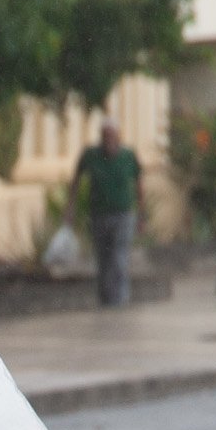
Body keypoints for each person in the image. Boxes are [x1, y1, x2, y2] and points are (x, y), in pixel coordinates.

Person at [72, 120, 142, 307]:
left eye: (112, 136)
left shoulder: (128, 156)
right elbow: (76, 179)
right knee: (103, 258)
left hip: (123, 214)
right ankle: (106, 297)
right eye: (105, 136)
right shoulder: (92, 155)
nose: (108, 140)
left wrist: (142, 213)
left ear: (118, 137)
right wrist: (70, 207)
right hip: (99, 214)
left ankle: (120, 298)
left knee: (119, 256)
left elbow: (138, 182)